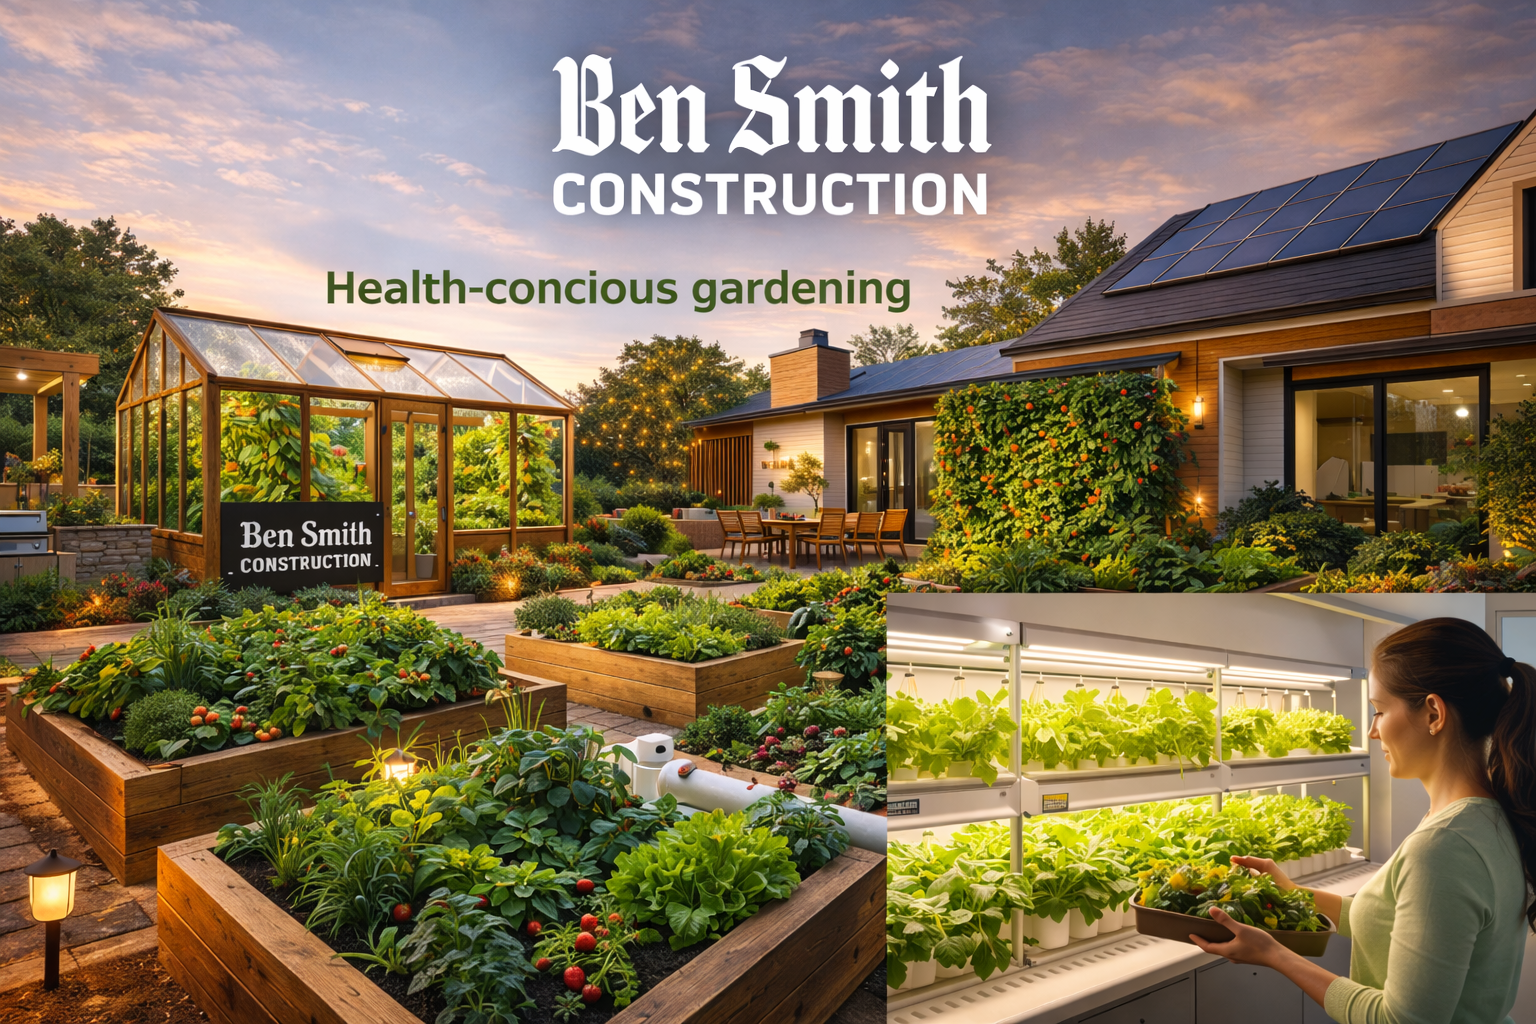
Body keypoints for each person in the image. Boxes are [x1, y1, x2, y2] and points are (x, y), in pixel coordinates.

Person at [1190, 617, 1533, 1023]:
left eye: (1379, 710)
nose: (1372, 731)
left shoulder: (1445, 846)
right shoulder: (1487, 814)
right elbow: (1392, 921)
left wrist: (1274, 954)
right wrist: (1291, 893)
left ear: (1433, 714)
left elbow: (1400, 1020)